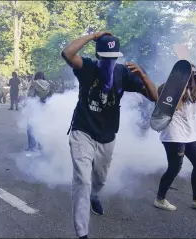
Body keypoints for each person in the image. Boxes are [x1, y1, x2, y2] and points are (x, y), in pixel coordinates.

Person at [61, 32, 157, 239]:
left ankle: (95, 195)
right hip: (82, 131)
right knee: (82, 181)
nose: (109, 61)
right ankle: (82, 233)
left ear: (117, 57)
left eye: (112, 57)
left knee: (100, 179)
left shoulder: (123, 73)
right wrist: (93, 35)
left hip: (107, 135)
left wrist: (143, 75)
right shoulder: (87, 67)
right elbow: (68, 53)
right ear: (98, 56)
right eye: (105, 57)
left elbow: (154, 96)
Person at [153, 64, 196, 212]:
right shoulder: (167, 88)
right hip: (173, 135)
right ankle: (160, 199)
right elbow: (178, 105)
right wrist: (182, 80)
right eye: (189, 72)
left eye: (194, 72)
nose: (192, 74)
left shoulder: (193, 87)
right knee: (175, 167)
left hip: (189, 134)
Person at [25, 71, 52, 151]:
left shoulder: (34, 83)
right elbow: (50, 96)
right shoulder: (48, 84)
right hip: (44, 106)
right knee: (41, 126)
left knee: (30, 126)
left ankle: (32, 146)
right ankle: (41, 146)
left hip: (35, 106)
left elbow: (30, 95)